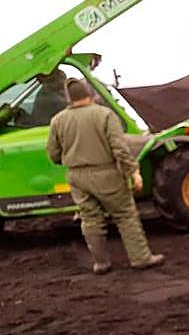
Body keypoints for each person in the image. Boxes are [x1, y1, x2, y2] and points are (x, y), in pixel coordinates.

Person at [46, 79, 163, 274]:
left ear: (69, 99)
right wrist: (133, 172)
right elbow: (120, 148)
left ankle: (101, 263)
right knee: (125, 216)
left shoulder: (58, 120)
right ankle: (141, 258)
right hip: (106, 174)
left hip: (77, 176)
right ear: (90, 94)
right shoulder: (104, 115)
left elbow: (53, 154)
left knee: (90, 219)